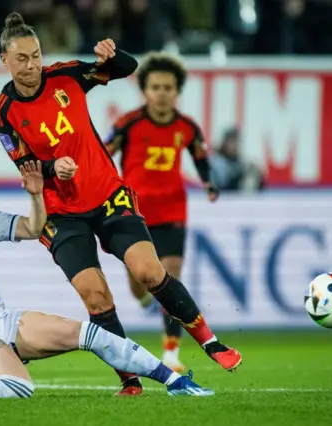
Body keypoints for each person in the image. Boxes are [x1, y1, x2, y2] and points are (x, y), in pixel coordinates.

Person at [0, 81, 214, 399]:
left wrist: (36, 194)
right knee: (19, 387)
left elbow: (32, 227)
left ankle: (176, 383)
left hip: (0, 314)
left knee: (94, 335)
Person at [0, 12, 242, 396]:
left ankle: (211, 343)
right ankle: (129, 378)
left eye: (36, 55)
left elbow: (127, 68)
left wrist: (112, 54)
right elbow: (24, 165)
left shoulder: (67, 76)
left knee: (148, 272)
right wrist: (51, 166)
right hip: (59, 212)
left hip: (107, 194)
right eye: (22, 59)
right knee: (96, 296)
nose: (31, 65)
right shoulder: (3, 113)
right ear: (4, 60)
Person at [104, 52, 218, 373]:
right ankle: (142, 298)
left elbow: (200, 157)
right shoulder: (129, 123)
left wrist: (209, 183)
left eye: (168, 87)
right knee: (140, 283)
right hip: (133, 214)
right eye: (156, 87)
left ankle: (171, 353)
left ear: (177, 90)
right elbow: (101, 153)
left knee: (171, 278)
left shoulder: (187, 127)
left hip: (172, 211)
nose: (162, 93)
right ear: (145, 90)